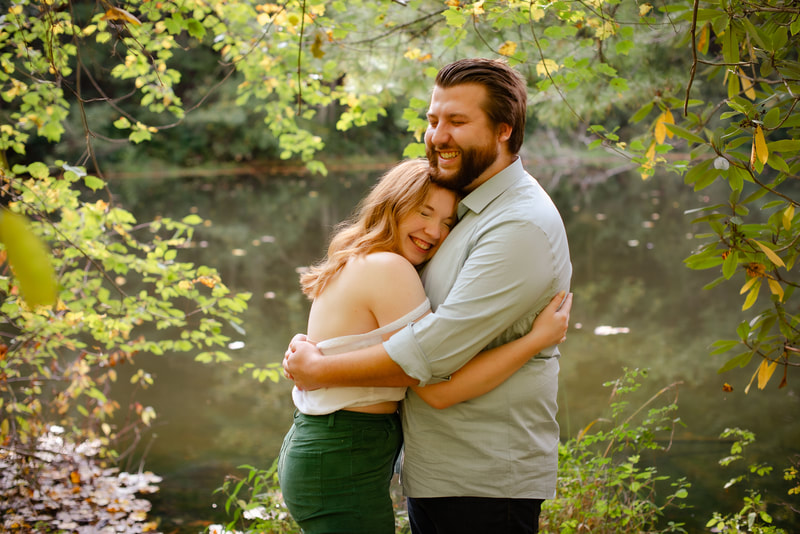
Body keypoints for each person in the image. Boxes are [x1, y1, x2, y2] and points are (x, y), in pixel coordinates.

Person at [284, 57, 572, 534]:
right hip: (441, 470)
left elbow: (431, 356)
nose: (438, 135)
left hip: (482, 476)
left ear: (504, 130)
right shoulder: (466, 205)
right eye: (433, 119)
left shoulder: (517, 224)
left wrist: (320, 368)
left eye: (457, 121)